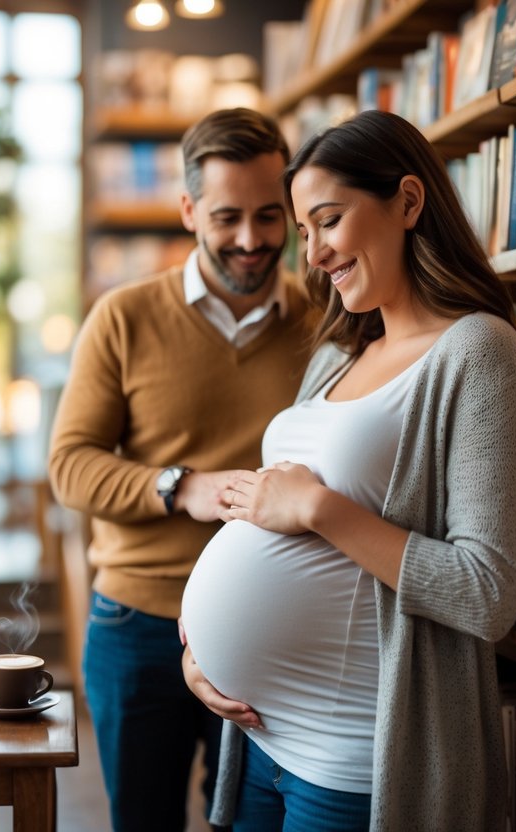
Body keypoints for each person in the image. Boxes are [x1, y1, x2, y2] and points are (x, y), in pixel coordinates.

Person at [179, 109, 516, 832]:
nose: (310, 253)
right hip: (255, 741)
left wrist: (319, 511)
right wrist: (200, 652)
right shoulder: (334, 357)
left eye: (328, 220)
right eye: (303, 230)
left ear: (407, 202)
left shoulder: (477, 354)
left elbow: (487, 593)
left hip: (351, 759)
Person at [48, 108, 318, 831]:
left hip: (272, 622)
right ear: (187, 209)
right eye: (226, 216)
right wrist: (181, 486)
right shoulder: (122, 317)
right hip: (139, 621)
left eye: (270, 215)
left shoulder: (328, 320)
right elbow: (69, 468)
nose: (251, 240)